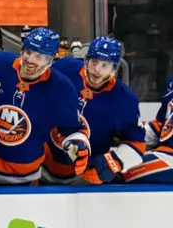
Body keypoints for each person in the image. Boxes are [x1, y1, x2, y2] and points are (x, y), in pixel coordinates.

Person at [0, 27, 90, 186]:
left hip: (27, 178)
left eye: (39, 56)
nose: (30, 59)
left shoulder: (61, 88)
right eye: (28, 52)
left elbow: (70, 129)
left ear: (50, 60)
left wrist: (78, 142)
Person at [42, 37, 145, 185]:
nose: (97, 70)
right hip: (40, 167)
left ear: (114, 69)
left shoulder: (125, 100)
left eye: (105, 65)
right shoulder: (64, 69)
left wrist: (113, 162)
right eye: (94, 62)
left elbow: (137, 144)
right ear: (86, 60)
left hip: (82, 176)